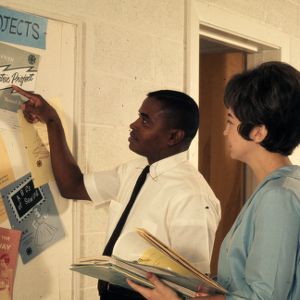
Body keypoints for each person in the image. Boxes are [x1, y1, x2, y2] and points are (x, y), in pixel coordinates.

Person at [12, 86, 221, 300]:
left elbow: (193, 288)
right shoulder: (133, 170)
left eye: (145, 120)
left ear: (174, 136)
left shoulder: (192, 196)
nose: (133, 125)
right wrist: (51, 120)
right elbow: (72, 186)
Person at [127, 61, 300, 300]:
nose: (224, 131)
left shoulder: (279, 196)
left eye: (230, 121)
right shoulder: (278, 188)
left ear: (258, 132)